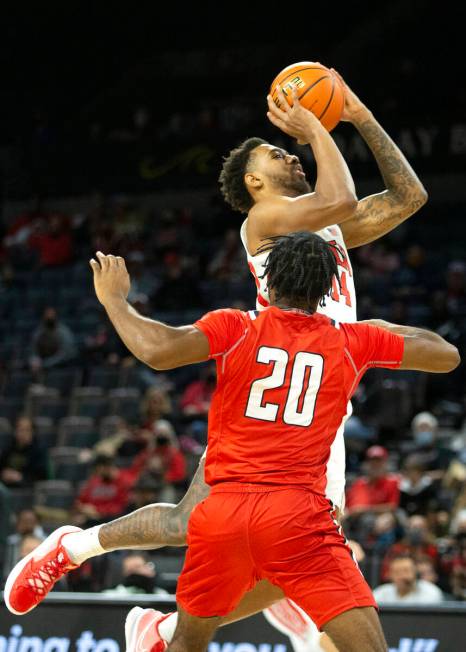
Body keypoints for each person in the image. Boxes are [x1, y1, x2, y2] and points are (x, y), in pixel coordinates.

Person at [4, 71, 429, 652]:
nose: (291, 150)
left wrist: (357, 114)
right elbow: (341, 197)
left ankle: (146, 611)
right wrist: (317, 123)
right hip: (271, 388)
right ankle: (74, 549)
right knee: (242, 533)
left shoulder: (320, 228)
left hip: (320, 388)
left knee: (266, 537)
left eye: (289, 144)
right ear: (256, 181)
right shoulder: (265, 221)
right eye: (277, 151)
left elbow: (408, 198)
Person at [6, 233, 459, 652]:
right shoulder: (351, 340)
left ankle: (159, 625)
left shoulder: (237, 325)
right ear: (327, 291)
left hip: (224, 511)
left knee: (185, 643)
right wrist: (381, 330)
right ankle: (119, 586)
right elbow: (446, 355)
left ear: (268, 280)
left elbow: (158, 350)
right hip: (297, 515)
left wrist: (115, 300)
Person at [373, 554, 444, 604]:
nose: (401, 576)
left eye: (406, 571)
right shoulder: (381, 593)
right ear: (390, 575)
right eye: (396, 572)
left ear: (416, 572)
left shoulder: (431, 592)